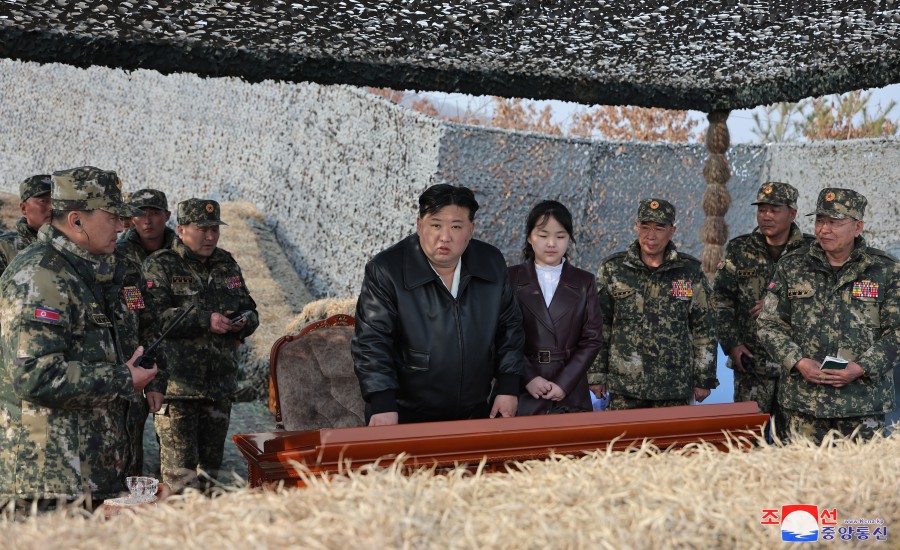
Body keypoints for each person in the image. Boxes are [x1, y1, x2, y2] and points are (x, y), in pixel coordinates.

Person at [0, 166, 157, 509]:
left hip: (86, 479)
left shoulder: (85, 270)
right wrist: (122, 378)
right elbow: (34, 375)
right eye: (113, 216)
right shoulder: (41, 276)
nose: (122, 225)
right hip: (48, 486)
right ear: (76, 221)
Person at [352, 183, 525, 425]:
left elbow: (510, 327)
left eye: (456, 226)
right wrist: (382, 402)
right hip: (404, 413)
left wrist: (508, 386)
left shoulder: (491, 263)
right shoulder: (387, 270)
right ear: (419, 225)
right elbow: (372, 341)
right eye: (435, 225)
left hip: (475, 410)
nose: (445, 237)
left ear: (471, 229)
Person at [757, 188, 898, 444]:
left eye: (834, 222)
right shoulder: (792, 266)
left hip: (862, 406)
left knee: (860, 481)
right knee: (803, 480)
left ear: (857, 227)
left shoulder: (886, 270)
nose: (823, 230)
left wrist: (862, 367)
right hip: (803, 405)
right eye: (820, 221)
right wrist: (798, 361)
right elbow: (769, 325)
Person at [142, 198, 258, 491]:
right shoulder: (162, 265)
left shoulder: (226, 263)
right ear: (181, 230)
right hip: (179, 391)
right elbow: (153, 318)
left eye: (214, 230)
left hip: (219, 389)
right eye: (202, 229)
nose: (210, 236)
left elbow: (251, 309)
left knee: (212, 478)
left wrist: (243, 321)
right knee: (180, 479)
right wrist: (206, 319)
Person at [589, 199, 717, 410]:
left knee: (673, 443)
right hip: (625, 386)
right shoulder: (613, 269)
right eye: (645, 227)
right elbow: (598, 325)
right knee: (625, 443)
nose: (651, 235)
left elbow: (704, 327)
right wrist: (596, 373)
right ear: (636, 226)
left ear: (672, 230)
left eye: (659, 228)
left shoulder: (689, 271)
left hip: (674, 386)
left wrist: (704, 377)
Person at [713, 182, 814, 430]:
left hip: (797, 368)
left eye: (774, 210)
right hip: (751, 365)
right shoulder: (739, 249)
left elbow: (824, 302)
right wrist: (732, 344)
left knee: (792, 446)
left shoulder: (813, 251)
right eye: (762, 209)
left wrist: (781, 304)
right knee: (746, 443)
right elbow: (720, 299)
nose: (766, 216)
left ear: (792, 213)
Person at [508, 200, 603, 415]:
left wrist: (564, 383)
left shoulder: (584, 281)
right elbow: (502, 335)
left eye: (560, 236)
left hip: (570, 388)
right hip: (524, 387)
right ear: (530, 237)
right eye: (543, 236)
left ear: (569, 239)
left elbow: (592, 338)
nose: (551, 243)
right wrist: (529, 378)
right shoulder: (510, 278)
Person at [0, 174, 52, 275]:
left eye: (56, 201)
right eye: (43, 201)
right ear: (24, 208)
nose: (52, 207)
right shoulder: (4, 248)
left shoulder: (75, 244)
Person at [117, 188, 176, 265]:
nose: (147, 221)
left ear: (167, 216)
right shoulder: (119, 252)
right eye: (140, 214)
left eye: (155, 213)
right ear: (132, 218)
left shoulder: (181, 252)